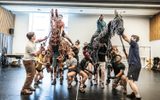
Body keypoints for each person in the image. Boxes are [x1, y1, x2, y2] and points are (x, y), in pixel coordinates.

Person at [122, 34, 141, 100]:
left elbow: (126, 38)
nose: (131, 38)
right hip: (134, 65)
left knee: (130, 81)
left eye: (132, 38)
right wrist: (126, 54)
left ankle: (138, 96)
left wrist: (121, 33)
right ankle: (134, 93)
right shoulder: (132, 46)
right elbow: (129, 57)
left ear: (135, 39)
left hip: (134, 65)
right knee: (130, 80)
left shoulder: (134, 44)